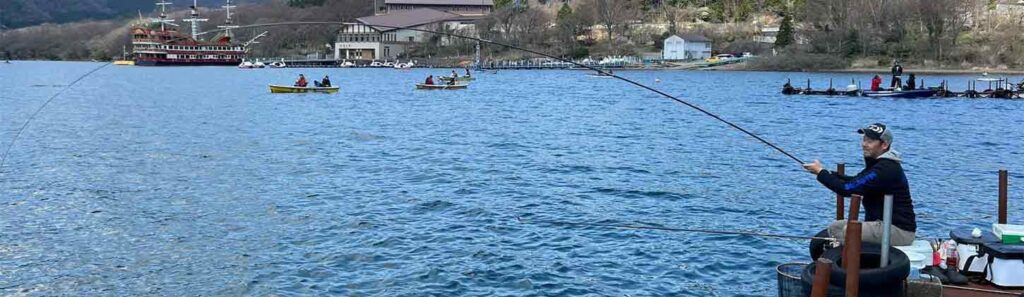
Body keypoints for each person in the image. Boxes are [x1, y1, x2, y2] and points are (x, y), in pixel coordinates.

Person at [803, 123, 917, 259]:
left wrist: (821, 173)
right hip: (881, 224)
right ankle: (838, 265)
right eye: (864, 140)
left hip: (899, 230)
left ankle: (850, 267)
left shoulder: (886, 168)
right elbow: (855, 180)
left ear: (884, 145)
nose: (864, 144)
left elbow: (847, 189)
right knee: (836, 228)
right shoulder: (878, 164)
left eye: (870, 141)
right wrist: (825, 173)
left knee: (850, 231)